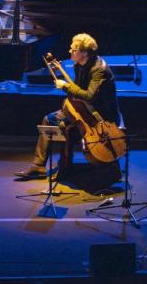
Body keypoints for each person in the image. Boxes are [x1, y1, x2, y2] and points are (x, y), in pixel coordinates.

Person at [16, 33, 121, 179]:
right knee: (48, 120)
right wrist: (68, 87)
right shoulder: (79, 65)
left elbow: (89, 97)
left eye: (74, 49)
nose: (70, 51)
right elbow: (78, 91)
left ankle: (66, 168)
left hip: (101, 115)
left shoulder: (99, 69)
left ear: (84, 52)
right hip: (85, 110)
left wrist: (65, 86)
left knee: (69, 128)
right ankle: (38, 166)